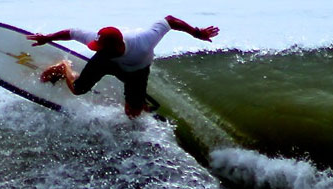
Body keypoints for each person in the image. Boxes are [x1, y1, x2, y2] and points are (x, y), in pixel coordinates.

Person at [27, 15, 219, 117]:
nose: (97, 48)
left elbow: (169, 20)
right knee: (78, 89)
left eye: (101, 48)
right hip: (107, 64)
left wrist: (196, 32)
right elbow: (72, 32)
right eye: (97, 46)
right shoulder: (101, 45)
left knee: (133, 114)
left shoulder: (143, 41)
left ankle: (137, 103)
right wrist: (47, 38)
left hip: (136, 70)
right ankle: (64, 67)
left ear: (117, 46)